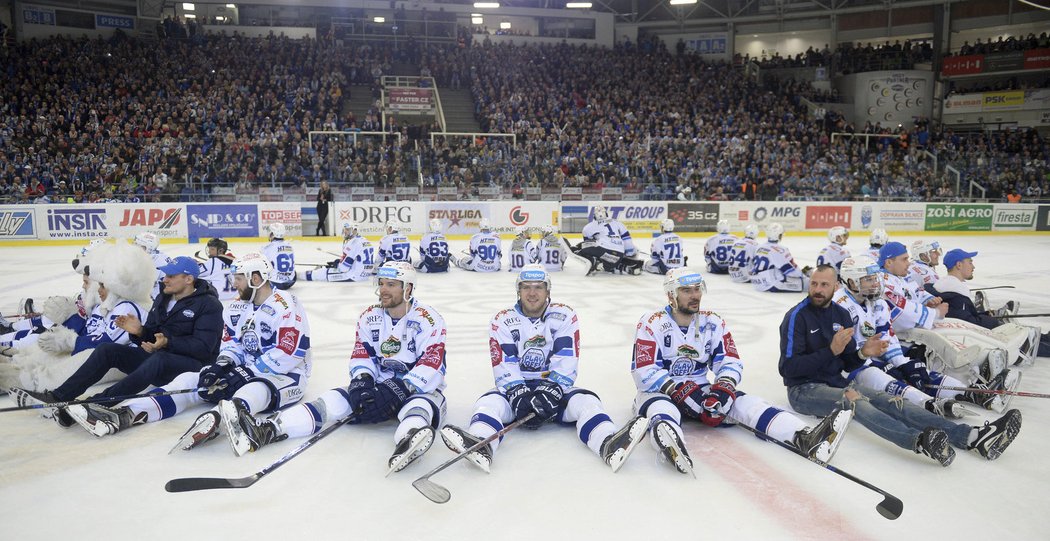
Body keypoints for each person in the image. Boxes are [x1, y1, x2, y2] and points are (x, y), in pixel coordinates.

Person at [63, 253, 312, 452]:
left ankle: (222, 418)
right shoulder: (237, 307)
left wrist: (247, 372)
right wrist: (222, 365)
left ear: (256, 278)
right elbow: (232, 343)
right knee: (190, 380)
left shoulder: (286, 305)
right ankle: (124, 413)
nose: (233, 283)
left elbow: (290, 352)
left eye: (238, 278)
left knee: (255, 388)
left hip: (285, 375)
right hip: (242, 369)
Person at [778, 265, 1022, 467]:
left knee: (892, 400)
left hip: (837, 382)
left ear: (835, 286)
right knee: (855, 402)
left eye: (824, 285)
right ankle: (919, 441)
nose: (818, 290)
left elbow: (846, 361)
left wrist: (863, 353)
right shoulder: (797, 316)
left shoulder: (841, 315)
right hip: (803, 390)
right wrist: (829, 350)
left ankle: (971, 436)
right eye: (814, 284)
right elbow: (789, 369)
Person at [224, 262, 448, 474]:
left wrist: (400, 388)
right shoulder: (370, 316)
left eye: (390, 285)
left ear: (408, 288)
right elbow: (362, 353)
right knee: (331, 400)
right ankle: (270, 429)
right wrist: (362, 381)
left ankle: (408, 440)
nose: (383, 290)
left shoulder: (428, 319)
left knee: (418, 408)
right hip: (379, 386)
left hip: (419, 388)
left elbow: (432, 362)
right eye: (380, 284)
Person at [629, 268, 854, 475]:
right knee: (662, 409)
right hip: (658, 389)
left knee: (746, 403)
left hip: (700, 387)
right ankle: (671, 444)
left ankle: (803, 436)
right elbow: (644, 369)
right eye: (686, 291)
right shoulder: (652, 322)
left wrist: (724, 386)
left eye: (697, 289)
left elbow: (729, 359)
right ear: (671, 294)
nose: (694, 295)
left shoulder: (713, 321)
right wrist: (675, 388)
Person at [439, 265, 647, 473]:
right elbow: (504, 363)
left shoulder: (564, 315)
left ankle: (609, 444)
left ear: (548, 291)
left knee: (588, 402)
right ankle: (481, 446)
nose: (532, 293)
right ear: (518, 291)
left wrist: (551, 390)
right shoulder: (502, 319)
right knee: (487, 404)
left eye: (538, 287)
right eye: (526, 287)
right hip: (515, 391)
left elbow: (566, 358)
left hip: (554, 391)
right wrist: (518, 394)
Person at [14, 256, 224, 422]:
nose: (165, 279)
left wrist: (167, 343)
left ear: (188, 279)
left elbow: (205, 348)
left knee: (160, 359)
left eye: (171, 276)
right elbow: (153, 335)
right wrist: (140, 332)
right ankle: (59, 396)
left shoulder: (209, 305)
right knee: (108, 349)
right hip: (157, 360)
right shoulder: (163, 298)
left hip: (191, 368)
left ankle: (97, 404)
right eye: (165, 275)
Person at [1, 242, 154, 394]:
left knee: (81, 358)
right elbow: (87, 332)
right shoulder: (103, 303)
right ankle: (19, 362)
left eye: (99, 284)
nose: (88, 287)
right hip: (97, 350)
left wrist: (70, 341)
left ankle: (27, 379)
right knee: (57, 349)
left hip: (119, 359)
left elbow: (105, 345)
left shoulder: (126, 308)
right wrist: (71, 318)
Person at [832, 256, 974, 416]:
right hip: (850, 366)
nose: (875, 284)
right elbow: (845, 351)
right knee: (878, 376)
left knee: (915, 369)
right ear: (852, 282)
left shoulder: (878, 302)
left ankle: (969, 392)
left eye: (875, 278)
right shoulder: (839, 305)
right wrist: (879, 366)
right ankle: (927, 404)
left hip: (873, 357)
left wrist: (900, 363)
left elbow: (886, 336)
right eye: (868, 280)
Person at [929, 249, 1049, 363]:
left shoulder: (947, 285)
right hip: (982, 339)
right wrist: (992, 320)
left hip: (979, 333)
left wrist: (985, 315)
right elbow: (969, 324)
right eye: (970, 262)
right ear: (959, 265)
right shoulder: (955, 291)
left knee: (1022, 331)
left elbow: (965, 317)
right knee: (1023, 337)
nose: (973, 266)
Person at [878, 241, 946, 333]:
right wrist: (935, 313)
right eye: (904, 259)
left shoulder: (900, 277)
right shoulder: (881, 283)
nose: (909, 263)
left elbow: (917, 293)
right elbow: (902, 314)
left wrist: (928, 302)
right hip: (893, 342)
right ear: (889, 262)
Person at [569, 205, 642, 275]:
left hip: (603, 251)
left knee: (581, 248)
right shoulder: (617, 223)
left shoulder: (589, 226)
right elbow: (627, 240)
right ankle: (628, 265)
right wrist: (629, 253)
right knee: (609, 265)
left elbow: (587, 243)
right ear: (606, 213)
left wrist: (578, 248)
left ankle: (595, 262)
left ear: (594, 216)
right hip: (619, 253)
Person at [298, 222, 376, 282]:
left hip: (354, 276)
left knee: (323, 272)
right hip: (365, 275)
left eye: (348, 230)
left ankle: (298, 275)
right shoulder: (366, 241)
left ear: (355, 230)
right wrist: (341, 261)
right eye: (345, 229)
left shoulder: (352, 243)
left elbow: (344, 269)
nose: (345, 232)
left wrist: (337, 265)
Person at [750, 223, 808, 292]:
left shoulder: (759, 247)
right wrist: (803, 275)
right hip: (770, 284)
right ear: (778, 235)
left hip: (756, 283)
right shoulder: (781, 249)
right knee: (808, 284)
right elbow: (790, 271)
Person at [134, 232, 173, 299]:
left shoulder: (153, 261)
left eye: (138, 245)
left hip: (157, 299)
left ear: (147, 248)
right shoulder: (159, 255)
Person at [198, 238, 236, 302]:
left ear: (220, 251)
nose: (209, 251)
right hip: (234, 300)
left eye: (212, 249)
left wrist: (198, 265)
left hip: (218, 301)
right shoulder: (234, 262)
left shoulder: (212, 262)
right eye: (209, 249)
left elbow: (195, 272)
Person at [261, 223, 296, 290]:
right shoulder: (290, 245)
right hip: (291, 282)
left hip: (275, 283)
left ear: (273, 234)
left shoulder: (266, 248)